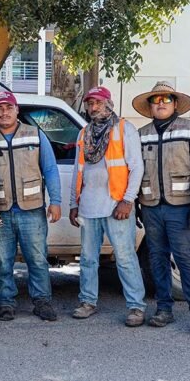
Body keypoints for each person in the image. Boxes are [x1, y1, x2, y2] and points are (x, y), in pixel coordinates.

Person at [131, 81, 190, 336]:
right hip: (151, 208)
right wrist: (135, 204)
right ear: (150, 105)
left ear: (175, 104)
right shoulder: (141, 134)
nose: (161, 103)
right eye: (157, 99)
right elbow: (133, 170)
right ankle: (164, 308)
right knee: (157, 259)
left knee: (186, 259)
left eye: (167, 98)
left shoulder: (189, 129)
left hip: (182, 208)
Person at [69, 86, 147, 326]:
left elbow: (137, 168)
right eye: (89, 103)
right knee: (88, 258)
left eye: (98, 103)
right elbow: (77, 170)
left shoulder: (124, 129)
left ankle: (136, 307)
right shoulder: (84, 133)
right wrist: (74, 203)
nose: (93, 108)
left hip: (117, 206)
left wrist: (127, 200)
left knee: (125, 258)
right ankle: (87, 302)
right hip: (89, 207)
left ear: (108, 104)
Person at [0, 91, 62, 322]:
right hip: (1, 212)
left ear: (17, 110)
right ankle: (6, 303)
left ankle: (42, 302)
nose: (4, 112)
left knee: (37, 259)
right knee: (2, 261)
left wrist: (56, 202)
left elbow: (50, 169)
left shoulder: (35, 134)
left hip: (32, 211)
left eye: (8, 107)